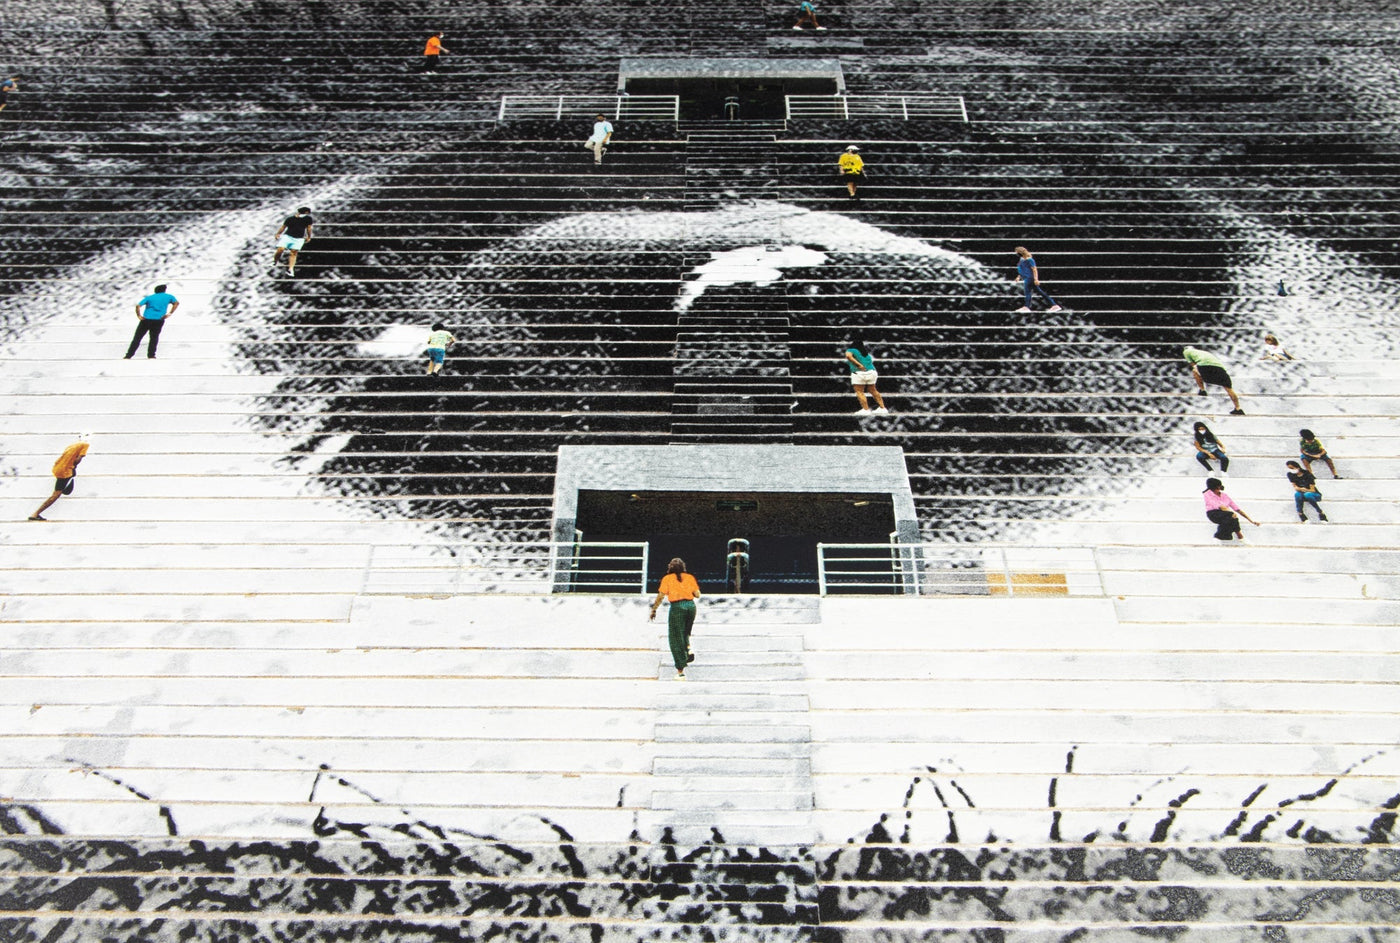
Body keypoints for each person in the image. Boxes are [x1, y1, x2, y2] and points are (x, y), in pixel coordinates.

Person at [649, 557, 701, 680]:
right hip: (691, 606)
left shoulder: (667, 579)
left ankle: (680, 672)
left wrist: (654, 609)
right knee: (685, 632)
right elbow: (698, 595)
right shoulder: (689, 577)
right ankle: (688, 649)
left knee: (675, 637)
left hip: (677, 608)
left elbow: (661, 596)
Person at [29, 434, 89, 521]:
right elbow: (77, 460)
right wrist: (74, 467)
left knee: (57, 493)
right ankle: (35, 514)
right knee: (56, 495)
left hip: (59, 469)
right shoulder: (85, 445)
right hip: (65, 472)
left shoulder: (72, 445)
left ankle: (36, 514)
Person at [1182, 346, 1244, 415]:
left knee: (1194, 371)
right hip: (1220, 368)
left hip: (1205, 365)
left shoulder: (1186, 352)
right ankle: (1238, 408)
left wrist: (1201, 374)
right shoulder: (1203, 353)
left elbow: (1194, 365)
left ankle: (1202, 390)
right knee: (1228, 388)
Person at [124, 283, 179, 359]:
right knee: (154, 338)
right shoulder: (169, 297)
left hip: (146, 319)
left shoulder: (150, 297)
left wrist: (139, 315)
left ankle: (128, 355)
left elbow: (138, 306)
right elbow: (176, 303)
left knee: (137, 337)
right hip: (159, 320)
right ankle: (151, 355)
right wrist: (170, 313)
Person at [1202, 477, 1259, 541]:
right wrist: (1232, 513)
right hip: (1213, 513)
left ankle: (1240, 537)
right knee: (1230, 515)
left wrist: (1251, 521)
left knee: (1233, 519)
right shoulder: (1207, 494)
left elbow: (1237, 509)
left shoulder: (1225, 495)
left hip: (1225, 514)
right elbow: (1219, 506)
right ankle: (1237, 536)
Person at [1013, 246, 1063, 314]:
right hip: (1026, 277)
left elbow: (1034, 270)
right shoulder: (1022, 260)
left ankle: (1026, 307)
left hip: (1030, 278)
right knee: (1039, 292)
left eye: (1017, 252)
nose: (1016, 254)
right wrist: (1019, 276)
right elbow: (1022, 269)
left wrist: (1036, 279)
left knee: (1028, 292)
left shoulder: (1030, 260)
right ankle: (1054, 305)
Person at [845, 339, 889, 416]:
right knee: (872, 390)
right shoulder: (866, 354)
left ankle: (865, 409)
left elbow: (848, 356)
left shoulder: (851, 350)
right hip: (872, 372)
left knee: (859, 391)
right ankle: (882, 408)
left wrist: (858, 365)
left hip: (859, 373)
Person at [273, 207, 314, 277]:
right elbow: (283, 227)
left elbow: (309, 228)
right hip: (288, 236)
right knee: (280, 249)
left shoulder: (308, 219)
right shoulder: (290, 219)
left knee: (293, 253)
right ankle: (275, 261)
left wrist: (309, 236)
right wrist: (278, 234)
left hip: (299, 238)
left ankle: (290, 269)